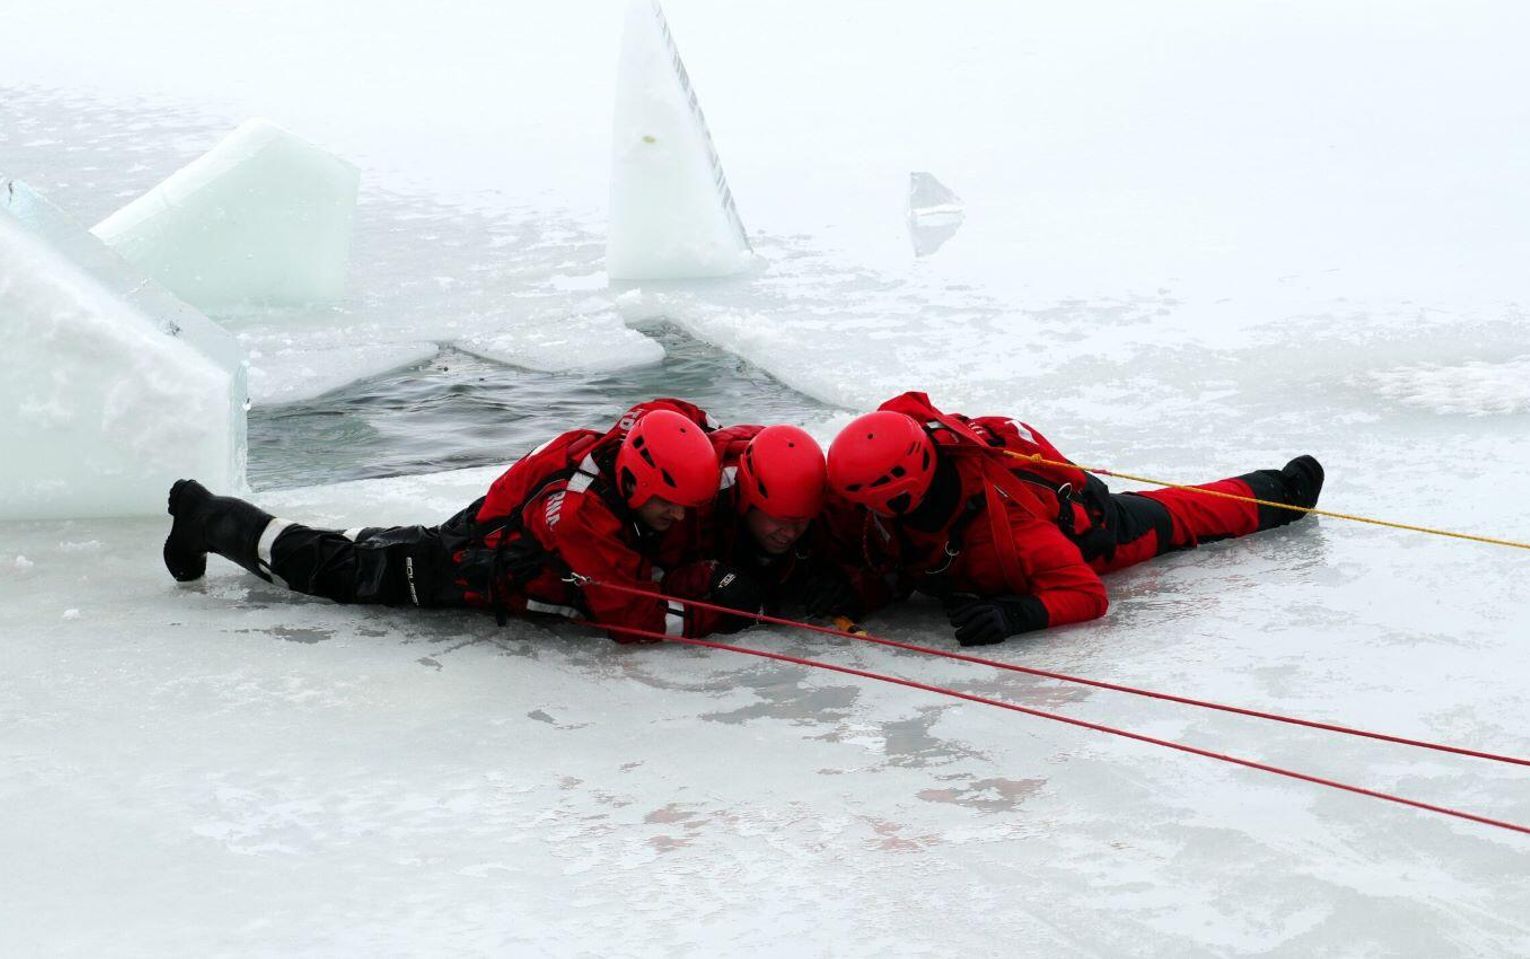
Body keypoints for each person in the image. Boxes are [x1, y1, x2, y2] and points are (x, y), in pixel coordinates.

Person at [162, 399, 766, 643]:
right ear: (634, 480)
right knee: (336, 571)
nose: (678, 516)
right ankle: (208, 518)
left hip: (488, 526)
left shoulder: (650, 435)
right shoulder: (583, 514)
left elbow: (706, 428)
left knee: (375, 546)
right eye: (667, 505)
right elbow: (634, 616)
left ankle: (215, 517)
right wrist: (722, 605)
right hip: (469, 566)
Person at [818, 391, 1325, 646]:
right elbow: (899, 565)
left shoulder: (1011, 527)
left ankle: (1281, 491)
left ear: (905, 492)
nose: (863, 514)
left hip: (1090, 533)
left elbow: (1088, 595)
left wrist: (1015, 617)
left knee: (1182, 515)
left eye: (872, 503)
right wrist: (860, 591)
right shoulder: (890, 512)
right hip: (991, 550)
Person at [659, 423, 828, 614]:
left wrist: (843, 585)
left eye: (800, 520)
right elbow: (658, 577)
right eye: (780, 520)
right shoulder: (697, 505)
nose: (790, 533)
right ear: (748, 502)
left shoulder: (819, 495)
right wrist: (710, 577)